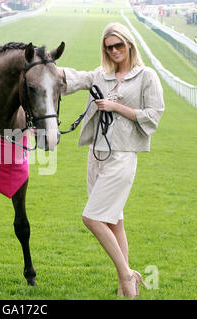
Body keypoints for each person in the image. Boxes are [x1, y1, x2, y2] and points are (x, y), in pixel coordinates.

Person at [59, 22, 164, 298]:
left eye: (118, 45)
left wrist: (116, 106)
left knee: (92, 218)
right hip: (97, 155)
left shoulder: (146, 76)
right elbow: (76, 79)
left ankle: (128, 274)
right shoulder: (101, 75)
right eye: (109, 47)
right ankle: (125, 288)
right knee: (114, 220)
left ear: (129, 44)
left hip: (123, 156)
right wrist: (48, 69)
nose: (114, 50)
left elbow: (153, 115)